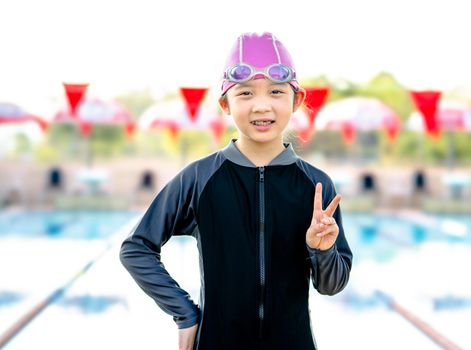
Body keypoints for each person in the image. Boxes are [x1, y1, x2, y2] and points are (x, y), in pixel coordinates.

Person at [120, 32, 353, 350]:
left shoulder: (316, 185)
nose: (261, 105)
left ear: (296, 101)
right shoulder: (201, 178)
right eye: (245, 93)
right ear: (225, 104)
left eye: (275, 92)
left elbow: (331, 285)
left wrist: (322, 249)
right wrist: (185, 313)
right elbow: (136, 248)